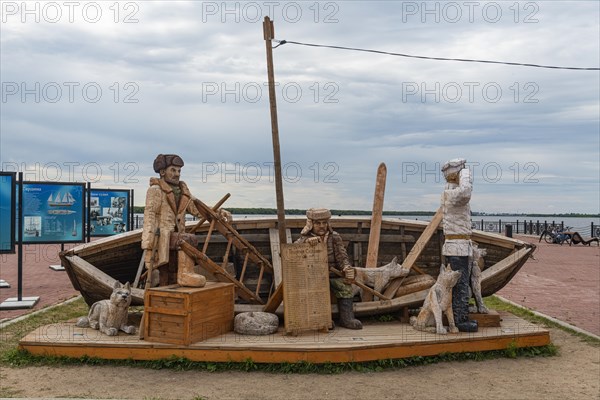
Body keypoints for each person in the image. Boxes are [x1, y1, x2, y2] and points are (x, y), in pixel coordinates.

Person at [141, 154, 206, 288]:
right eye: (173, 170)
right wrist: (148, 244)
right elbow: (149, 216)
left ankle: (180, 277)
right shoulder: (155, 190)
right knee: (187, 240)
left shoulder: (183, 192)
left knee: (174, 267)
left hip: (177, 236)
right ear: (163, 172)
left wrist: (217, 212)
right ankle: (185, 274)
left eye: (179, 171)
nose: (177, 174)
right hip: (162, 236)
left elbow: (197, 210)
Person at [295, 208, 362, 329]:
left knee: (345, 287)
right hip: (313, 277)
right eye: (317, 223)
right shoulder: (304, 239)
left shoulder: (334, 237)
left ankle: (347, 319)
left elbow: (342, 257)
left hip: (333, 275)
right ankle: (322, 319)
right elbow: (291, 253)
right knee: (317, 288)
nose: (322, 226)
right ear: (311, 224)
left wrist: (347, 268)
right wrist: (306, 244)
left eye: (324, 223)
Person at [441, 158, 478, 332]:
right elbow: (466, 192)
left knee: (461, 283)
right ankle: (460, 319)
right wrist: (466, 174)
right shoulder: (452, 193)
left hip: (460, 245)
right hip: (457, 246)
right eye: (461, 170)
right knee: (460, 284)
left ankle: (460, 316)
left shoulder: (451, 191)